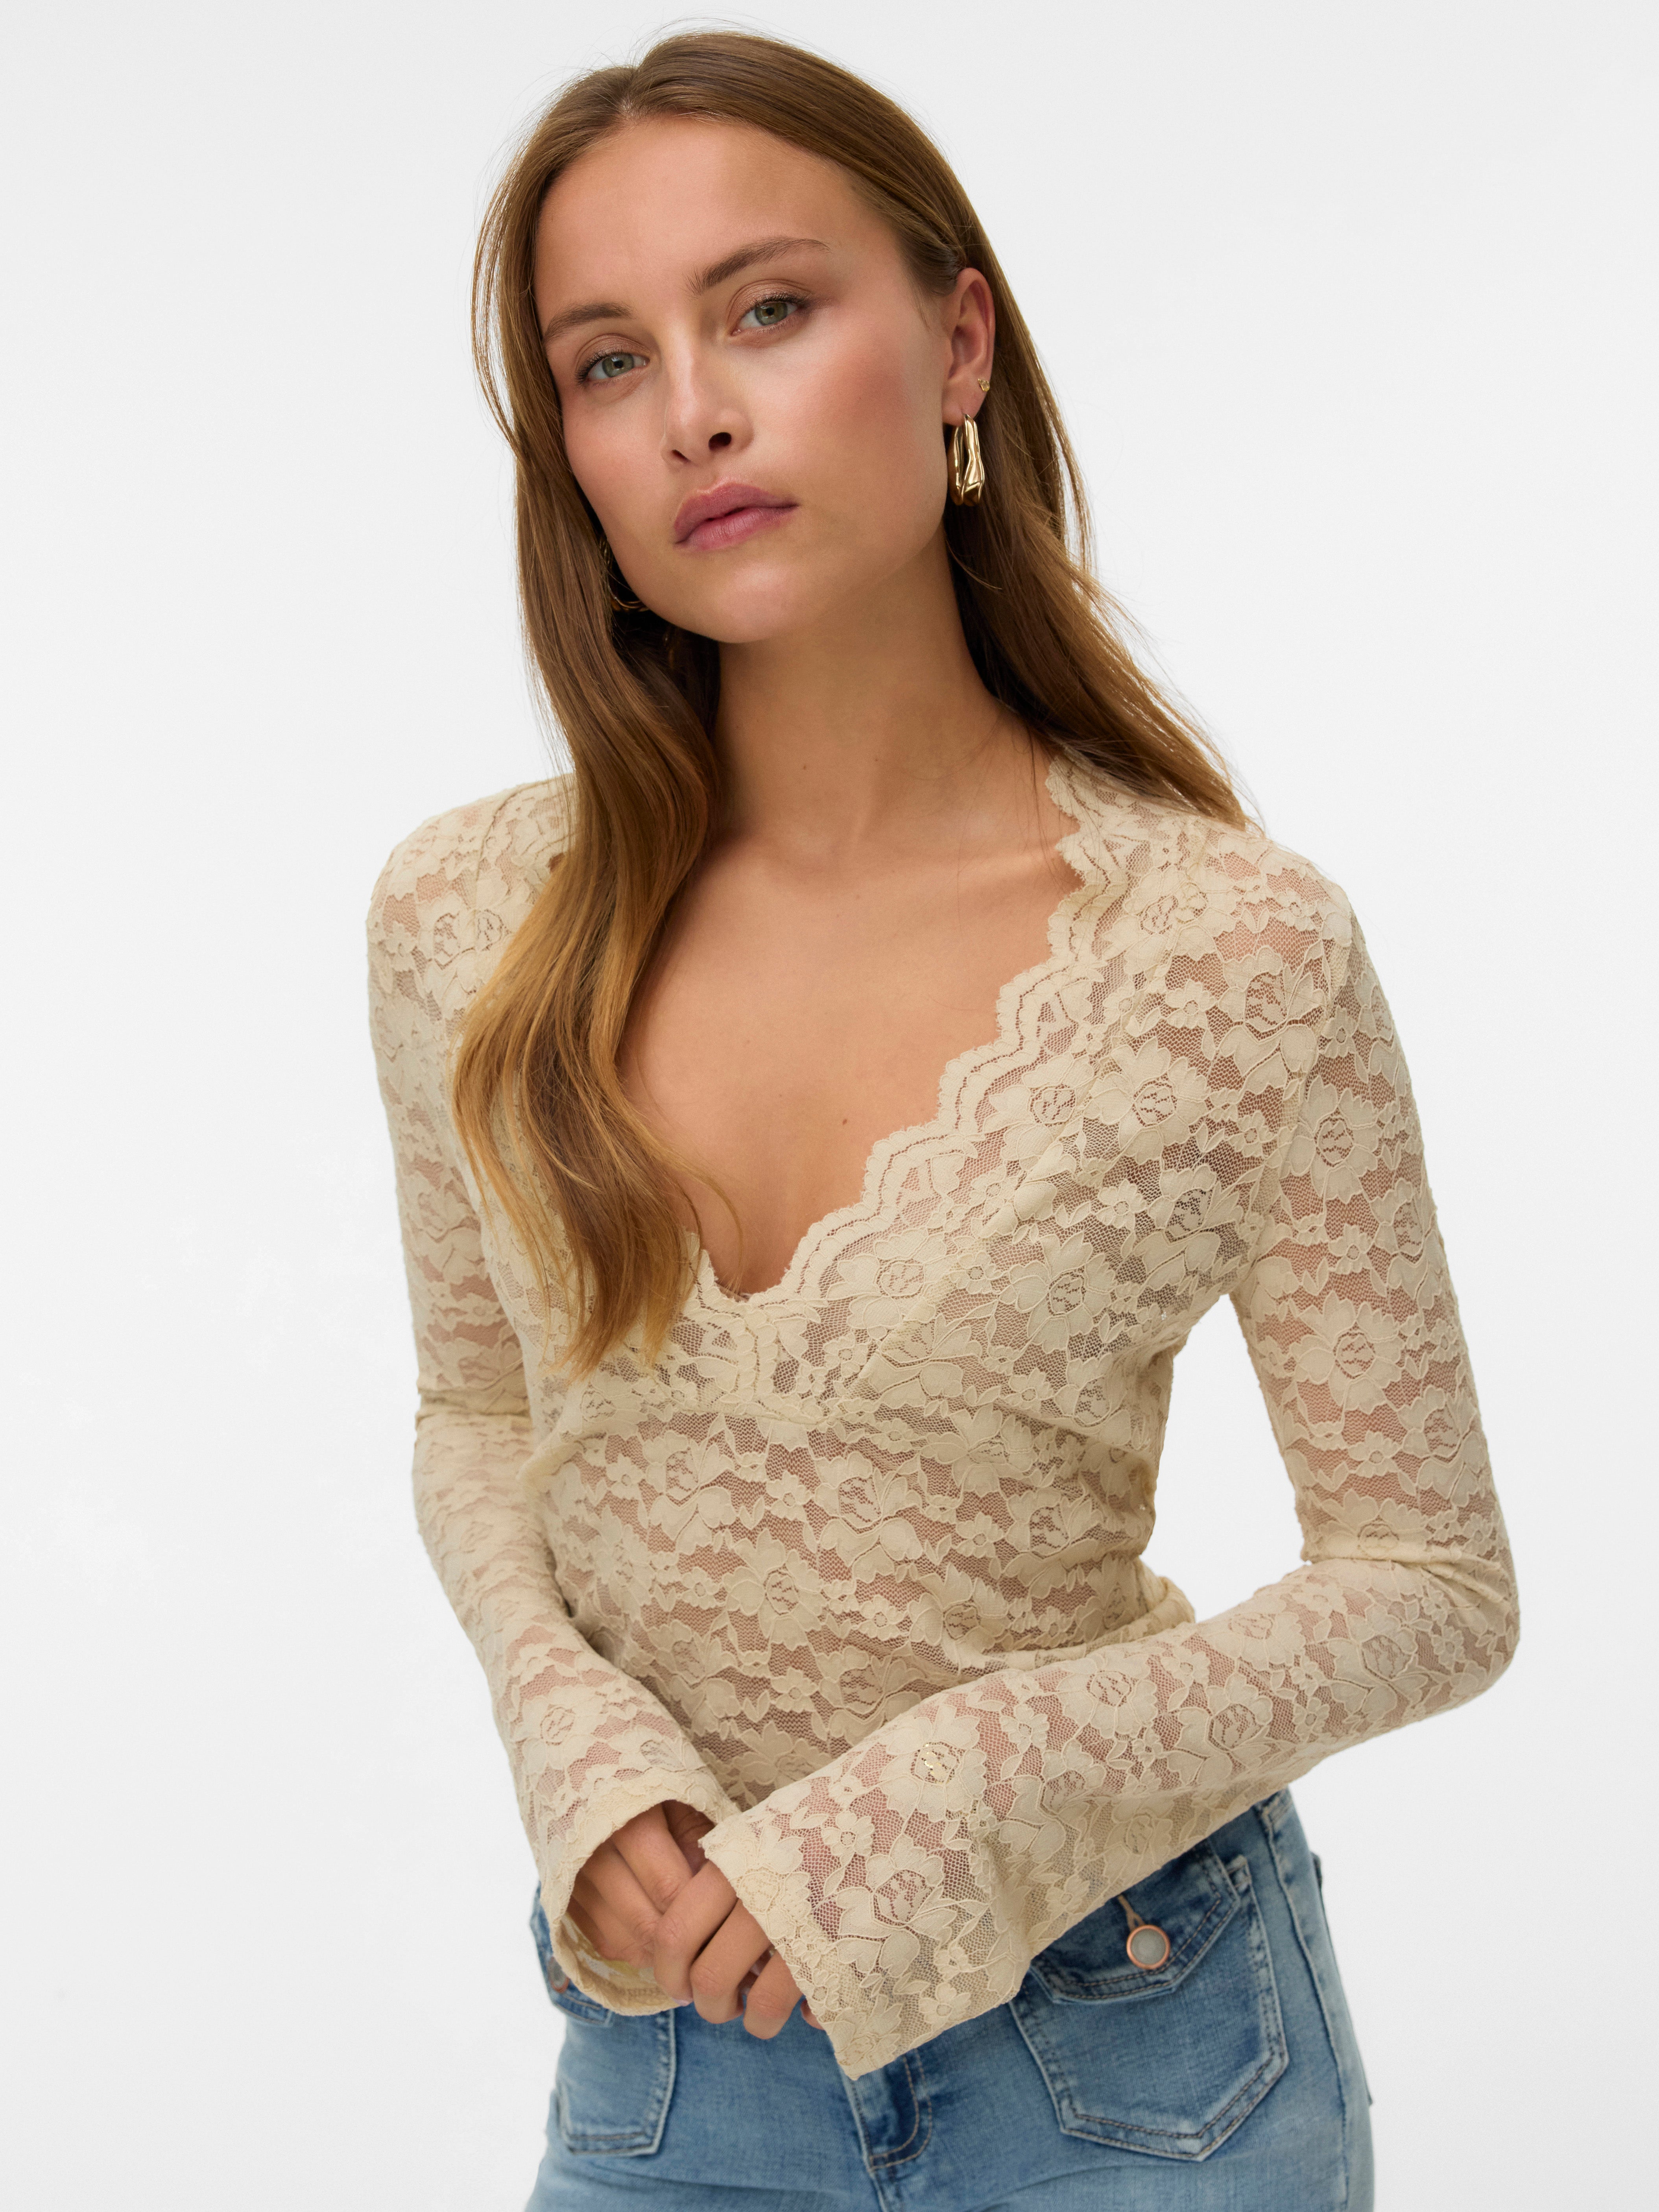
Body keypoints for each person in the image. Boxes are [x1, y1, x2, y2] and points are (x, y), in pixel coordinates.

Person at [367, 31, 1517, 2210]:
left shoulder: (1230, 952)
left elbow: (1430, 1579)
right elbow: (476, 1408)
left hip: (1143, 2060)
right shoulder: (465, 922)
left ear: (959, 340)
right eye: (607, 362)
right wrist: (573, 1736)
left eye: (767, 309)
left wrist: (955, 1797)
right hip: (672, 2065)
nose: (694, 410)